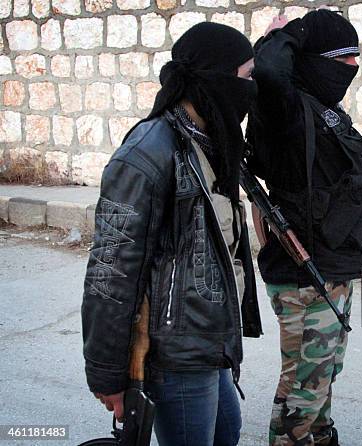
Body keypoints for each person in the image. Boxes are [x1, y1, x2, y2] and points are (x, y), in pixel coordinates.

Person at [81, 22, 263, 446]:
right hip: (174, 352)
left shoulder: (209, 142)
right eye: (246, 77)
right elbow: (111, 271)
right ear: (214, 78)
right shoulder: (148, 152)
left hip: (209, 342)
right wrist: (107, 372)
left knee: (226, 433)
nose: (252, 88)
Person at [247, 10, 362, 446]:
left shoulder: (322, 107)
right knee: (304, 382)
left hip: (334, 265)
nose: (352, 68)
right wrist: (290, 34)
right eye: (342, 59)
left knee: (323, 372)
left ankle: (319, 436)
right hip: (303, 273)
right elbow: (268, 69)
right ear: (314, 60)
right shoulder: (284, 111)